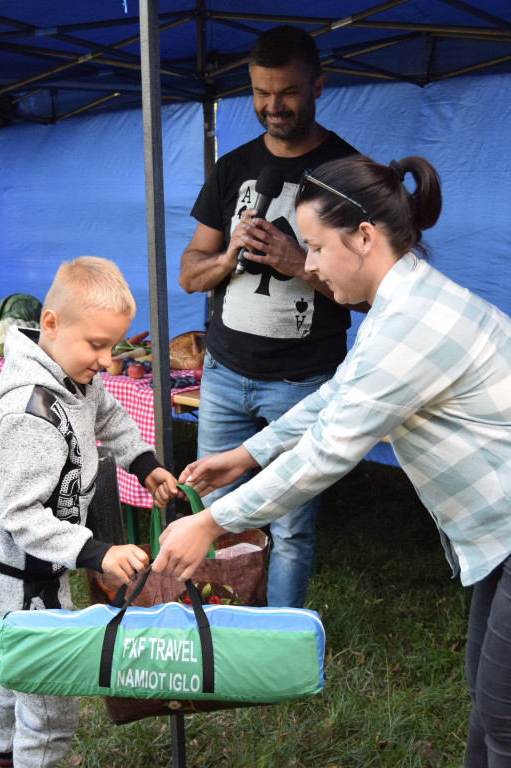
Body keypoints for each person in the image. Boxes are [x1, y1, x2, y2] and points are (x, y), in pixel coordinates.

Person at [156, 152, 511, 767]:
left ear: (365, 237)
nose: (309, 265)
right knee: (489, 700)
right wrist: (245, 453)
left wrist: (212, 522)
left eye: (316, 246)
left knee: (505, 720)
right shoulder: (398, 303)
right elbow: (339, 391)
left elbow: (327, 453)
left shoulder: (411, 322)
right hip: (498, 537)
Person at [179, 25, 362, 607]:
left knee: (289, 524)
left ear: (318, 86)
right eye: (260, 92)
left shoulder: (348, 173)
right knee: (213, 510)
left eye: (286, 92)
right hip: (224, 375)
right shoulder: (233, 167)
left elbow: (370, 297)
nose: (271, 106)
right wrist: (230, 254)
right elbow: (189, 272)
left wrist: (296, 262)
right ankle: (217, 633)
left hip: (303, 382)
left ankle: (278, 642)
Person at [0, 256, 178, 768]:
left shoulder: (76, 379)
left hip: (44, 571)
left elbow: (109, 413)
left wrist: (144, 463)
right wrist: (94, 551)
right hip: (26, 582)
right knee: (50, 708)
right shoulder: (30, 413)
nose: (107, 359)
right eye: (96, 345)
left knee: (13, 669)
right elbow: (21, 516)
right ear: (50, 324)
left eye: (113, 346)